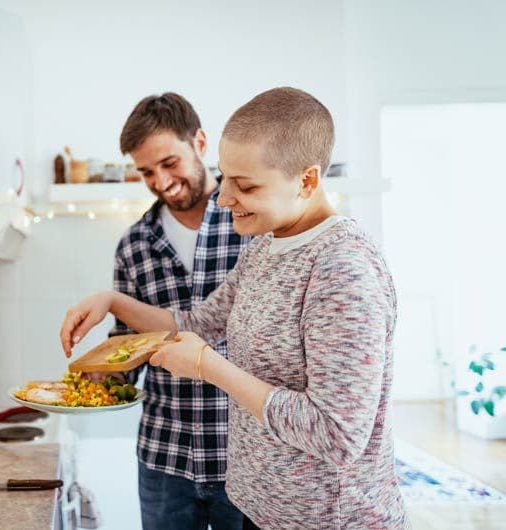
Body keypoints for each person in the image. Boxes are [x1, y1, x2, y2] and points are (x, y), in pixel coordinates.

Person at [61, 87, 408, 530]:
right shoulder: (264, 245)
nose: (223, 199)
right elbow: (197, 323)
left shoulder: (342, 268)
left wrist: (208, 367)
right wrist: (110, 301)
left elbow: (337, 435)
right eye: (225, 178)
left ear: (306, 180)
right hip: (259, 509)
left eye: (244, 186)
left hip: (327, 519)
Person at [64, 93, 252, 529]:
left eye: (170, 163)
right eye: (147, 172)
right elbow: (126, 348)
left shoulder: (249, 220)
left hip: (246, 454)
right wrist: (95, 378)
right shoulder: (133, 245)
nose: (162, 181)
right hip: (165, 456)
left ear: (200, 143)